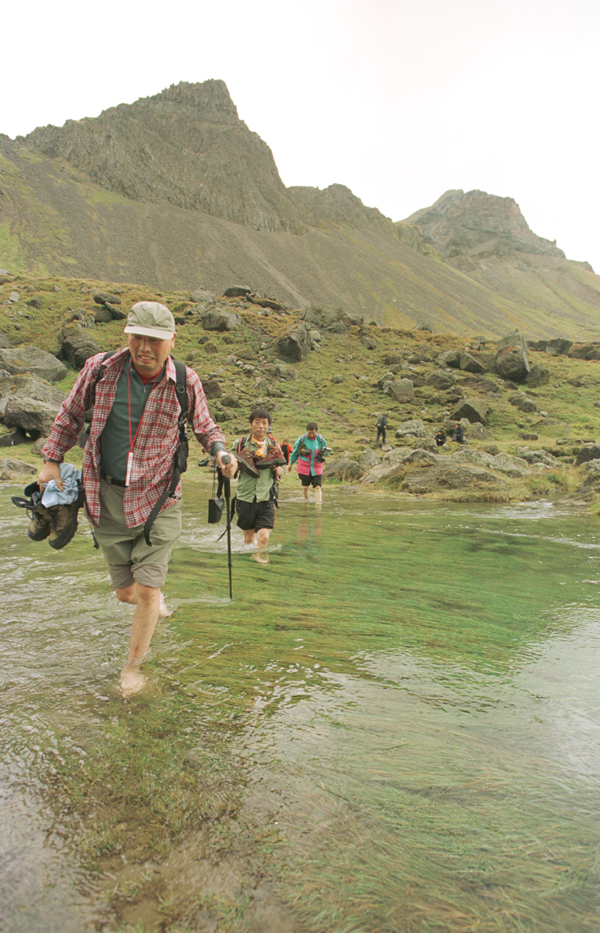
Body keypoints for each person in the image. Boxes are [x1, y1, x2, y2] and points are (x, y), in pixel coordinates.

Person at [38, 301, 237, 697]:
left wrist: (220, 451)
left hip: (159, 497)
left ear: (171, 341)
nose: (145, 347)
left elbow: (205, 426)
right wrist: (51, 461)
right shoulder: (100, 369)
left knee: (146, 589)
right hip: (104, 494)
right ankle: (155, 605)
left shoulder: (185, 380)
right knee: (127, 592)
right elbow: (70, 414)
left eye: (155, 340)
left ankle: (132, 668)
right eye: (138, 337)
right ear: (127, 335)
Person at [234, 408, 285, 563]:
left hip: (267, 496)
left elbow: (282, 470)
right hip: (245, 496)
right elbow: (230, 467)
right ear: (251, 424)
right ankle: (249, 561)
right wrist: (236, 464)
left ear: (268, 425)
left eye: (264, 423)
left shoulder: (274, 445)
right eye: (257, 422)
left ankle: (256, 557)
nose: (261, 426)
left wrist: (279, 470)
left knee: (264, 536)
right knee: (249, 538)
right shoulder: (240, 444)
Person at [288, 422, 330, 504]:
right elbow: (296, 452)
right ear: (307, 431)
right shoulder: (302, 439)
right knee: (305, 487)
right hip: (304, 467)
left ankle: (318, 505)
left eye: (313, 433)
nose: (311, 435)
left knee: (317, 487)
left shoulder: (320, 439)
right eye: (309, 433)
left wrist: (323, 453)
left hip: (316, 467)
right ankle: (307, 503)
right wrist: (290, 463)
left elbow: (327, 451)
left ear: (316, 431)